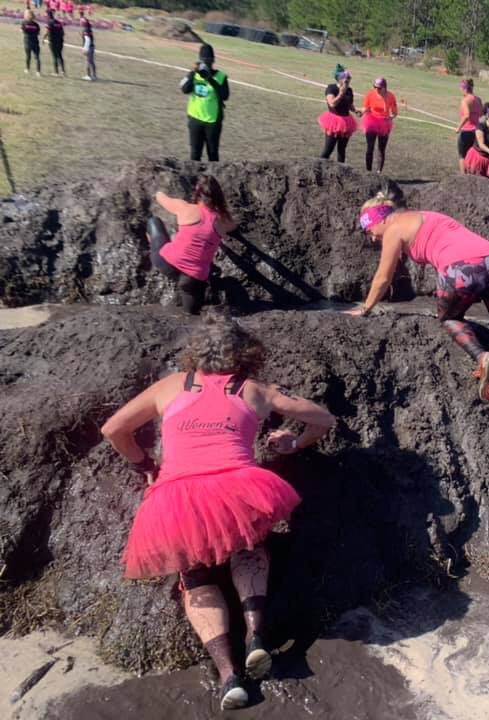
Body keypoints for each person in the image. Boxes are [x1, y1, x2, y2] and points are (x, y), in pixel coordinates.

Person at [102, 313, 336, 710]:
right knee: (249, 548)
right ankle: (256, 636)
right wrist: (293, 444)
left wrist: (146, 466)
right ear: (246, 355)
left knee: (194, 575)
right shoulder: (256, 390)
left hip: (178, 496)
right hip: (239, 489)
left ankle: (230, 676)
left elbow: (112, 430)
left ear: (196, 354)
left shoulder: (171, 385)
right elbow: (324, 418)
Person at [346, 193, 489, 424]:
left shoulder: (393, 229)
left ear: (380, 220)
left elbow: (383, 276)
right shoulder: (426, 215)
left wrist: (365, 308)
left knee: (450, 318)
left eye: (369, 231)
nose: (371, 239)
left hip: (460, 269)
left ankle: (484, 357)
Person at [148, 175, 236, 314]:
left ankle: (150, 243)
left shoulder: (185, 207)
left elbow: (161, 198)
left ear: (197, 192)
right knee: (191, 312)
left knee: (154, 221)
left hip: (167, 262)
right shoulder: (222, 220)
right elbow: (232, 226)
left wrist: (157, 192)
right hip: (193, 276)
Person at [180, 44, 229, 161]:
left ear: (213, 60)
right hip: (195, 119)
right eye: (204, 60)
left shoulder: (220, 76)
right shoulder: (195, 75)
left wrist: (210, 79)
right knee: (195, 153)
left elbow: (225, 96)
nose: (206, 63)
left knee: (212, 153)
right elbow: (184, 89)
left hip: (212, 121)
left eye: (209, 60)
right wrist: (192, 74)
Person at [318, 64, 360, 163]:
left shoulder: (349, 90)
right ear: (339, 79)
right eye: (346, 79)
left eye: (349, 78)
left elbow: (349, 104)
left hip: (346, 122)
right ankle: (319, 169)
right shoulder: (331, 88)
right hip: (334, 122)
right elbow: (332, 103)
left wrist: (356, 110)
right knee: (328, 149)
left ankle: (341, 173)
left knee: (342, 150)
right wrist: (341, 93)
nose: (348, 80)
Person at [360, 77, 398, 174]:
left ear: (385, 87)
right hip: (371, 121)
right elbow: (366, 107)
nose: (376, 89)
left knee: (381, 149)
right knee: (370, 147)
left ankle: (378, 172)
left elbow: (394, 113)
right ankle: (368, 171)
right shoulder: (370, 94)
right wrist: (362, 112)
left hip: (384, 123)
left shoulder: (391, 96)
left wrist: (390, 118)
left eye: (379, 88)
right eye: (375, 87)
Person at [463, 103, 489, 179]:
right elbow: (481, 145)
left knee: (487, 180)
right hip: (477, 158)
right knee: (475, 179)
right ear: (487, 116)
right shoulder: (480, 127)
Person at [454, 78, 482, 173]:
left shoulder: (465, 100)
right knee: (473, 155)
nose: (461, 90)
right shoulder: (478, 99)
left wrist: (459, 127)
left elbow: (466, 115)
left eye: (461, 88)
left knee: (462, 156)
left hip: (466, 132)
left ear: (464, 88)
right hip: (477, 132)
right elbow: (481, 113)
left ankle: (463, 178)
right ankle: (473, 177)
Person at [42, 9, 65, 76]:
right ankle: (63, 71)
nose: (45, 15)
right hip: (60, 41)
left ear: (48, 15)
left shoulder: (49, 22)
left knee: (54, 56)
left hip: (53, 41)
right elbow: (62, 32)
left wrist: (43, 38)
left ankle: (56, 72)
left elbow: (47, 31)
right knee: (60, 55)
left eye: (45, 14)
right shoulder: (58, 22)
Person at [22, 10, 41, 76]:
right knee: (37, 57)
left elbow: (22, 30)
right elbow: (38, 33)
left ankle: (27, 69)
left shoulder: (24, 23)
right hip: (35, 42)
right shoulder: (36, 24)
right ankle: (38, 72)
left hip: (27, 41)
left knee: (28, 56)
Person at [79, 11, 95, 80]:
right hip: (92, 46)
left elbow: (87, 40)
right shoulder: (89, 28)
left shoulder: (85, 29)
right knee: (91, 61)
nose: (80, 23)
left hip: (89, 47)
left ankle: (88, 75)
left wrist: (85, 48)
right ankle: (94, 75)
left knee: (88, 62)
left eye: (81, 22)